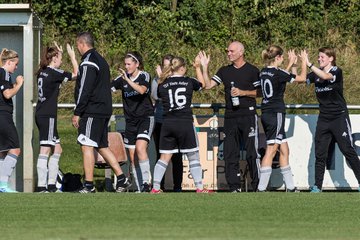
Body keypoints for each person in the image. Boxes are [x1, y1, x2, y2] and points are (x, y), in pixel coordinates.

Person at [72, 32, 131, 193]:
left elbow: (85, 88)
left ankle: (89, 185)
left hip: (93, 110)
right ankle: (121, 178)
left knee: (86, 145)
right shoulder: (102, 60)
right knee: (101, 145)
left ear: (82, 44)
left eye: (78, 45)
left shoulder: (89, 62)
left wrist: (78, 112)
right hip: (104, 109)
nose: (77, 48)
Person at [200, 41, 260, 192]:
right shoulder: (224, 71)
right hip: (230, 116)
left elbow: (261, 93)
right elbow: (208, 86)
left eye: (232, 51)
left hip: (248, 115)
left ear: (241, 52)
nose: (229, 54)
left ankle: (258, 186)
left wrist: (243, 92)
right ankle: (234, 187)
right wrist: (204, 67)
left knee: (252, 152)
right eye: (228, 51)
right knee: (229, 153)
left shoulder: (252, 70)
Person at [151, 55, 212, 194]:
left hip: (168, 123)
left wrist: (161, 76)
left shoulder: (163, 84)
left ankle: (155, 188)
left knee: (164, 157)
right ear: (183, 68)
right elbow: (202, 84)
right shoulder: (188, 81)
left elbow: (157, 95)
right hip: (184, 122)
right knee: (193, 156)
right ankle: (200, 188)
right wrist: (198, 67)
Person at [305, 47, 360, 192]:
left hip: (339, 117)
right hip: (324, 118)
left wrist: (309, 64)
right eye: (318, 57)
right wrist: (294, 64)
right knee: (320, 153)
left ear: (331, 58)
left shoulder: (336, 71)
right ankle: (317, 186)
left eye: (322, 57)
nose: (319, 59)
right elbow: (300, 79)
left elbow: (325, 76)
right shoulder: (315, 73)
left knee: (347, 150)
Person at [254, 46, 308, 192]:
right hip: (275, 113)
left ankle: (290, 187)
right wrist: (303, 62)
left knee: (284, 149)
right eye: (282, 57)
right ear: (277, 58)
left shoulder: (263, 71)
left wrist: (292, 64)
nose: (284, 59)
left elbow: (284, 75)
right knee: (271, 149)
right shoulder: (279, 73)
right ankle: (261, 188)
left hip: (266, 112)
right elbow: (302, 79)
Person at [35, 42, 78, 193]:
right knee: (45, 150)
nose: (61, 61)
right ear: (54, 58)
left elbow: (56, 73)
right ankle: (42, 186)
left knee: (58, 149)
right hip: (47, 116)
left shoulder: (42, 71)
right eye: (60, 58)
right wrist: (73, 57)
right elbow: (76, 74)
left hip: (42, 113)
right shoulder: (54, 73)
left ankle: (52, 185)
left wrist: (59, 52)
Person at [111, 51, 154, 192]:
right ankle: (139, 186)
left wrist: (128, 80)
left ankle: (147, 183)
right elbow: (107, 89)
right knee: (132, 155)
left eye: (129, 64)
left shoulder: (144, 75)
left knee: (141, 148)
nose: (126, 66)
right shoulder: (122, 78)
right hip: (130, 121)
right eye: (125, 64)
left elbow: (142, 90)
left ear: (137, 64)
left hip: (145, 118)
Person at [151, 54, 183, 192]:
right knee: (161, 155)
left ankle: (177, 187)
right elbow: (155, 95)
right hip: (160, 121)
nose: (166, 68)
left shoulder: (179, 80)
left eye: (168, 66)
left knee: (177, 156)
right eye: (164, 66)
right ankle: (159, 186)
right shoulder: (157, 79)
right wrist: (160, 80)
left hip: (176, 121)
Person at [0, 48, 24, 193]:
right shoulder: (4, 73)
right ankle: (2, 184)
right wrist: (19, 84)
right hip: (3, 115)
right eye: (15, 64)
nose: (16, 68)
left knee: (2, 152)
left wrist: (14, 85)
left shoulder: (3, 74)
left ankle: (2, 185)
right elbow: (7, 94)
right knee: (15, 149)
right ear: (9, 62)